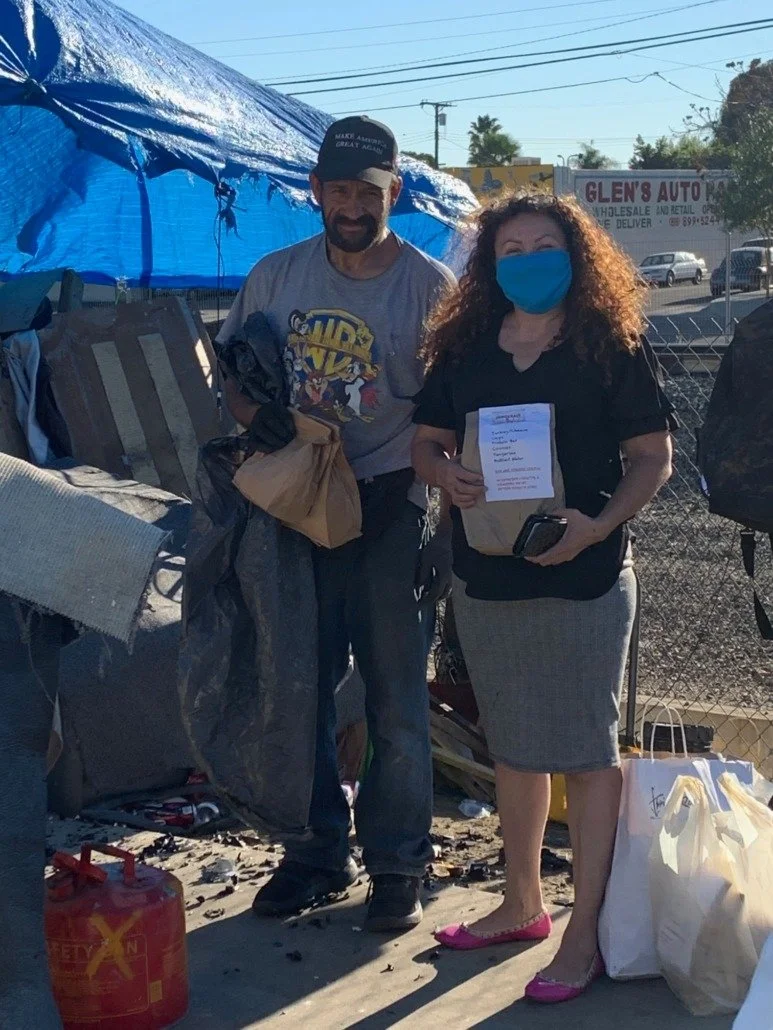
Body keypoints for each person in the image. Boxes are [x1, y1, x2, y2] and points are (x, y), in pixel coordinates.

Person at [411, 190, 676, 1002]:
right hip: (486, 577)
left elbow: (651, 459)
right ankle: (518, 903)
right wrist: (443, 473)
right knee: (513, 745)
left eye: (544, 245)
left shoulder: (610, 345)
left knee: (588, 755)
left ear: (577, 254)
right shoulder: (462, 350)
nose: (529, 261)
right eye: (512, 250)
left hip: (585, 578)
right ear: (491, 266)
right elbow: (425, 443)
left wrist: (594, 528)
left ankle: (582, 932)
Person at [217, 116, 454, 931]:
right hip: (297, 505)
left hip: (389, 500)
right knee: (300, 685)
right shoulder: (275, 277)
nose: (353, 205)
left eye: (370, 191)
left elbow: (456, 408)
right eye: (339, 189)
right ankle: (316, 854)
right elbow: (231, 367)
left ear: (395, 192)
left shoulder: (427, 289)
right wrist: (257, 416)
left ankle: (396, 865)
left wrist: (442, 524)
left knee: (394, 698)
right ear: (315, 192)